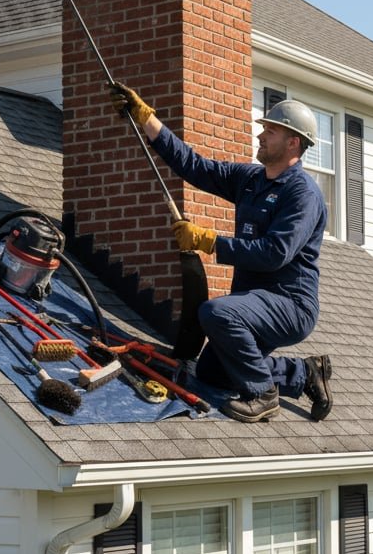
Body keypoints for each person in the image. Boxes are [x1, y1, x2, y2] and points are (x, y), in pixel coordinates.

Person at [109, 83, 333, 423]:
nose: (260, 136)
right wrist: (147, 120)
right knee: (213, 374)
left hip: (290, 305)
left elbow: (274, 254)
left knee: (215, 313)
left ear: (293, 142)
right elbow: (194, 166)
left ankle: (263, 394)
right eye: (263, 129)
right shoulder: (250, 180)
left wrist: (208, 241)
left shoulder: (302, 195)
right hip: (254, 303)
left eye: (270, 131)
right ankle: (301, 373)